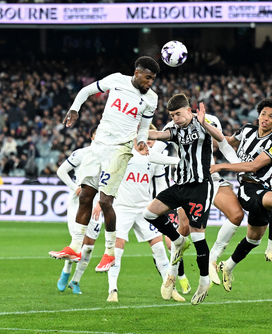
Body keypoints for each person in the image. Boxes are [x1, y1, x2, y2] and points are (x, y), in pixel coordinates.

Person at [49, 56, 160, 273]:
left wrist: (140, 141)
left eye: (153, 80)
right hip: (98, 145)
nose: (150, 83)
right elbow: (86, 90)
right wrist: (75, 108)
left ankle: (109, 252)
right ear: (136, 73)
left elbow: (145, 127)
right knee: (85, 196)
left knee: (106, 201)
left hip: (120, 149)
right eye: (147, 78)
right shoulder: (117, 79)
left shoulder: (151, 98)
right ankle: (75, 246)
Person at [142, 94, 226, 305]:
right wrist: (137, 128)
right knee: (149, 213)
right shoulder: (175, 130)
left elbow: (221, 138)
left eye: (178, 114)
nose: (175, 118)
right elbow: (158, 134)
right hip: (179, 186)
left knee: (198, 237)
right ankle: (178, 240)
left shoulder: (205, 124)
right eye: (172, 115)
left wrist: (204, 122)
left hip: (200, 187)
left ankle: (204, 280)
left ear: (189, 110)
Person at [210, 98, 272, 292]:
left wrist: (221, 165)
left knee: (253, 239)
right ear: (258, 114)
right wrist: (206, 134)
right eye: (263, 114)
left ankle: (227, 266)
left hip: (263, 189)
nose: (266, 118)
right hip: (247, 189)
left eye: (271, 116)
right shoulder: (246, 130)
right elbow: (227, 141)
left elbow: (254, 165)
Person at [107, 125, 187, 302]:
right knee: (117, 247)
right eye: (147, 138)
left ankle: (170, 288)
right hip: (123, 208)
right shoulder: (125, 154)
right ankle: (112, 290)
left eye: (153, 139)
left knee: (159, 249)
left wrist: (163, 207)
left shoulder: (154, 160)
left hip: (144, 209)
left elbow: (159, 187)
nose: (150, 142)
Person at [55, 126, 102, 294]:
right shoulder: (81, 154)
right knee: (78, 243)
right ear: (92, 136)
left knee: (88, 247)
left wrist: (102, 203)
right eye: (98, 133)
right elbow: (61, 171)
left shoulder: (109, 157)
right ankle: (65, 274)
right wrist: (75, 187)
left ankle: (76, 281)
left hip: (98, 204)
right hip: (78, 204)